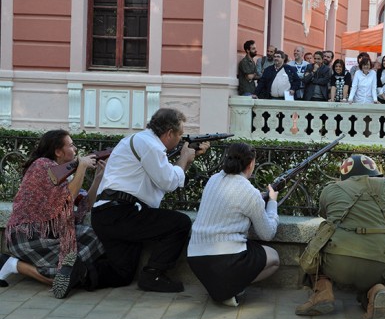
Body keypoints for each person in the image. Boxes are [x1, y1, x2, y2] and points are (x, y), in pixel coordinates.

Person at [91, 108, 210, 294]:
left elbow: (166, 180)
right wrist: (184, 157)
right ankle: (153, 274)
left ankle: (75, 273)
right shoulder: (150, 146)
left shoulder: (140, 140)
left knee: (121, 274)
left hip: (107, 215)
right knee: (180, 223)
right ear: (169, 133)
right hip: (122, 213)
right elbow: (170, 182)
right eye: (180, 134)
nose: (180, 139)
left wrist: (187, 160)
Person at [0, 129, 112, 298]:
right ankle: (14, 265)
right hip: (27, 235)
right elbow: (68, 198)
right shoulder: (41, 165)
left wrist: (98, 177)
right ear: (58, 151)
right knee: (69, 273)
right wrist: (81, 167)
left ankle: (65, 272)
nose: (75, 150)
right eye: (71, 145)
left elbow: (84, 204)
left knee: (92, 236)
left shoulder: (62, 174)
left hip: (49, 234)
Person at [295, 155, 385, 319]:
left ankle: (323, 292)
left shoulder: (330, 189)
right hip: (378, 264)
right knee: (377, 277)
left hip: (336, 263)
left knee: (319, 244)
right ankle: (377, 291)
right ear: (373, 172)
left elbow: (326, 216)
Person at [187, 143, 280, 307]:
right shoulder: (249, 192)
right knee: (274, 258)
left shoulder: (214, 179)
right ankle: (231, 289)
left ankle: (223, 288)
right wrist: (272, 202)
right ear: (251, 164)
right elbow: (267, 233)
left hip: (195, 257)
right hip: (227, 259)